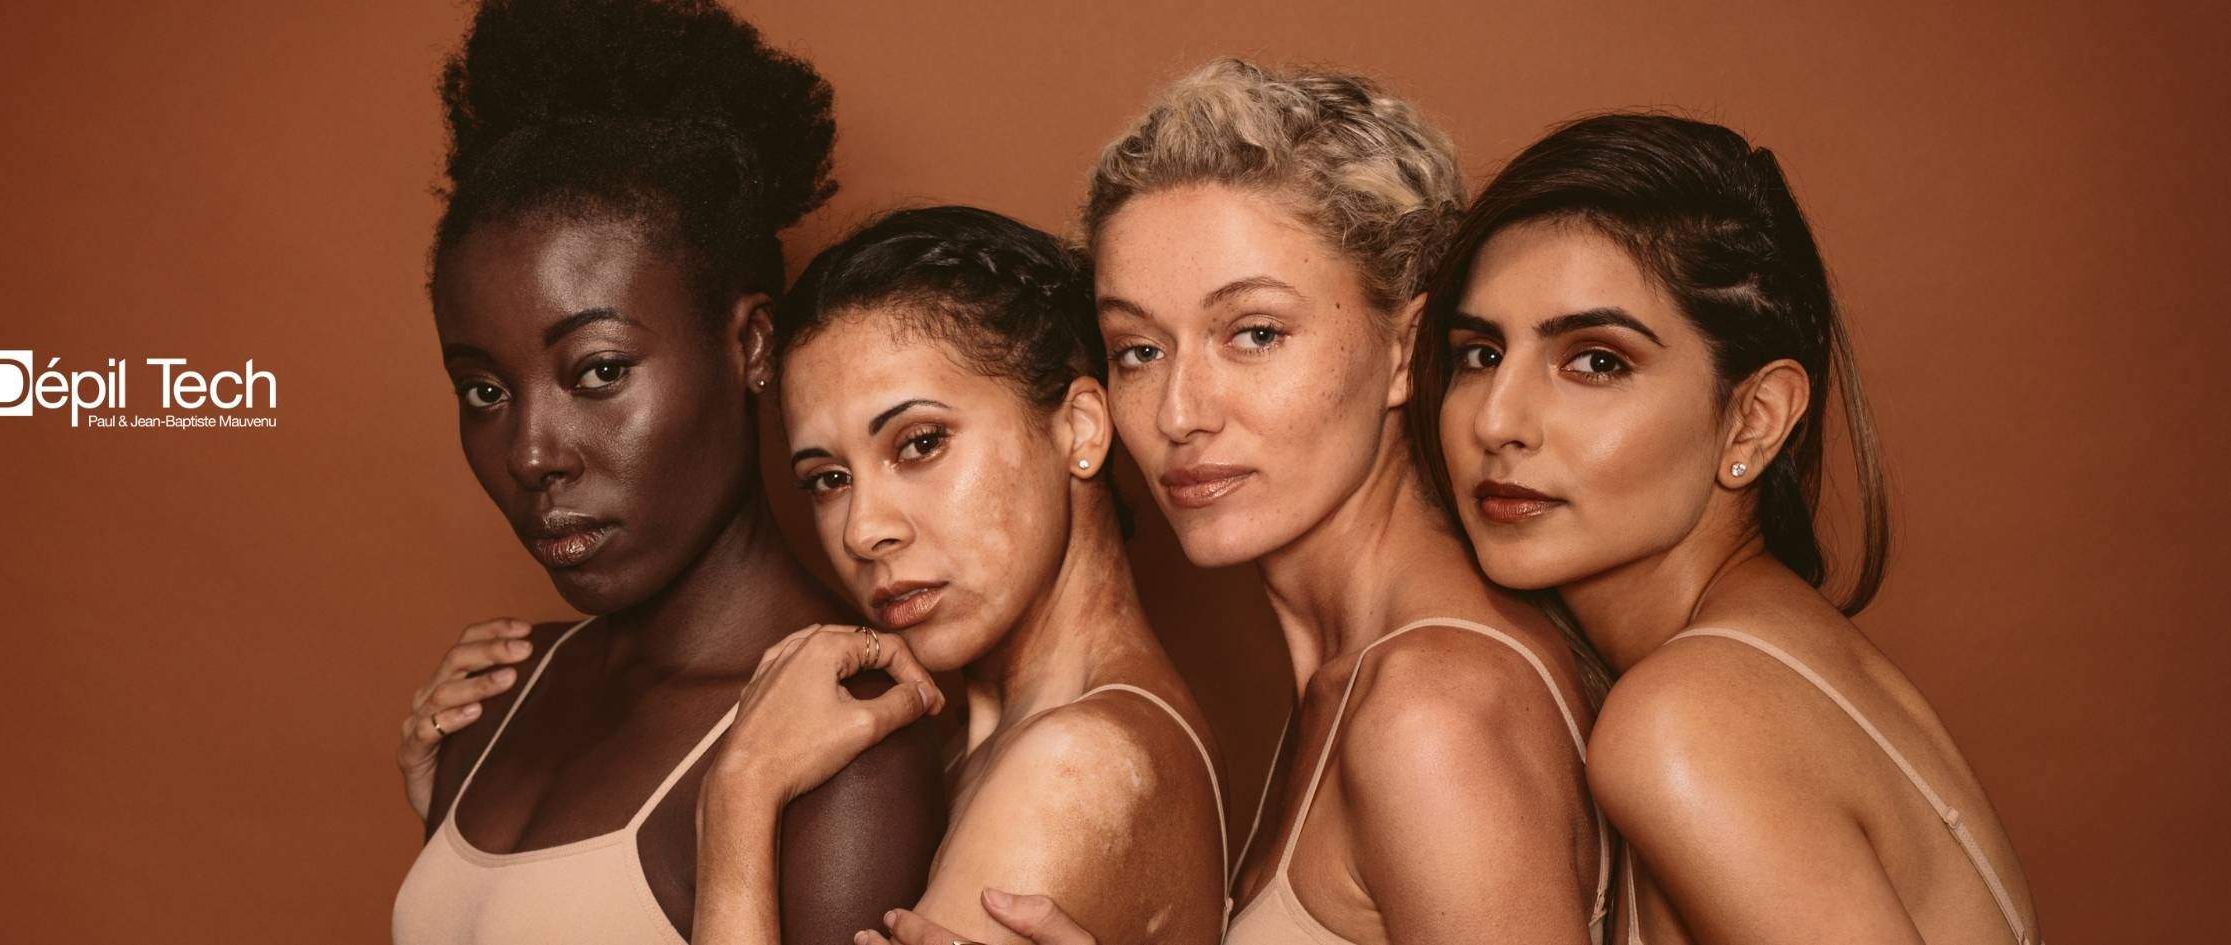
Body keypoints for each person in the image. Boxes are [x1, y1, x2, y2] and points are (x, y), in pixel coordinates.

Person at [941, 58, 1615, 945]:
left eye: (1254, 334)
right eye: (1138, 349)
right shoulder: (1350, 676)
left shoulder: (1431, 711)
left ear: (1407, 349)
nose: (1179, 413)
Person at [1409, 113, 2041, 944]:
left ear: (1753, 419)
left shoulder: (1689, 720)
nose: (1496, 421)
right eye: (1480, 354)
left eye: (1596, 361)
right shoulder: (1771, 662)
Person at [388, 2, 943, 942]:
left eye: (599, 371)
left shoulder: (844, 737)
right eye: (484, 390)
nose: (531, 453)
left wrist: (741, 792)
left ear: (750, 343)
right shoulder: (495, 701)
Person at [690, 207, 1230, 945]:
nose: (862, 530)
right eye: (828, 478)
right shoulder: (979, 745)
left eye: (919, 443)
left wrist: (737, 796)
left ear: (1079, 427)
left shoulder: (1074, 765)